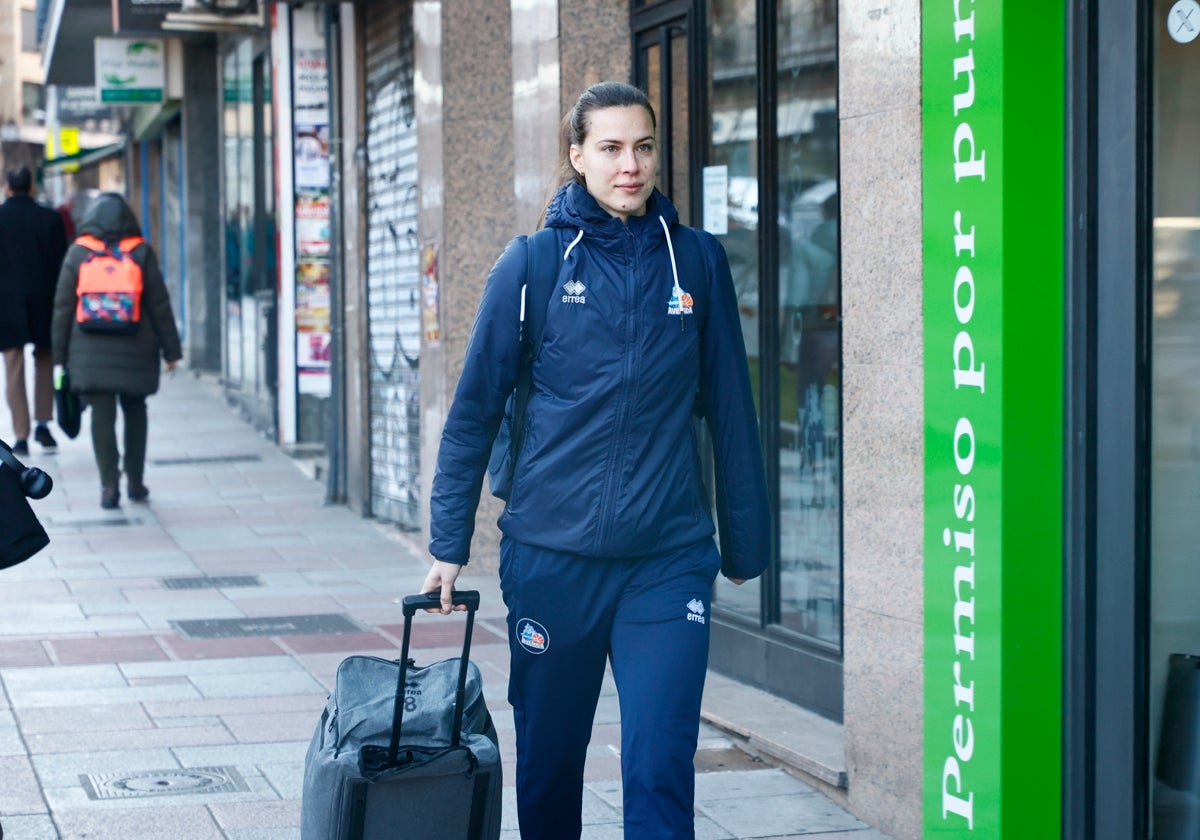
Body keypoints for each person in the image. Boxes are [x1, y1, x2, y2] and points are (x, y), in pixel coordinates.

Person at [425, 82, 770, 839]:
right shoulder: (534, 265)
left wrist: (745, 545)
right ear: (576, 156)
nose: (630, 165)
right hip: (553, 560)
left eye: (643, 147)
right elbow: (475, 408)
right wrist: (448, 545)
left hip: (667, 559)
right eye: (610, 148)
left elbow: (732, 413)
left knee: (659, 765)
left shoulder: (698, 264)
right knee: (550, 768)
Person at [51, 192, 182, 509]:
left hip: (89, 350)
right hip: (136, 346)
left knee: (101, 414)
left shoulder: (78, 253)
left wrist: (59, 359)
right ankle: (135, 481)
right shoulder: (140, 252)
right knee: (136, 411)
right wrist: (171, 352)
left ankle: (109, 486)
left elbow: (62, 309)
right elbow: (159, 305)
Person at [0, 165, 69, 455]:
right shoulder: (50, 218)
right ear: (31, 188)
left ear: (7, 188)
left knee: (13, 368)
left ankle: (20, 435)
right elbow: (63, 265)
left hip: (6, 304)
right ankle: (43, 423)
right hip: (44, 300)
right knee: (44, 360)